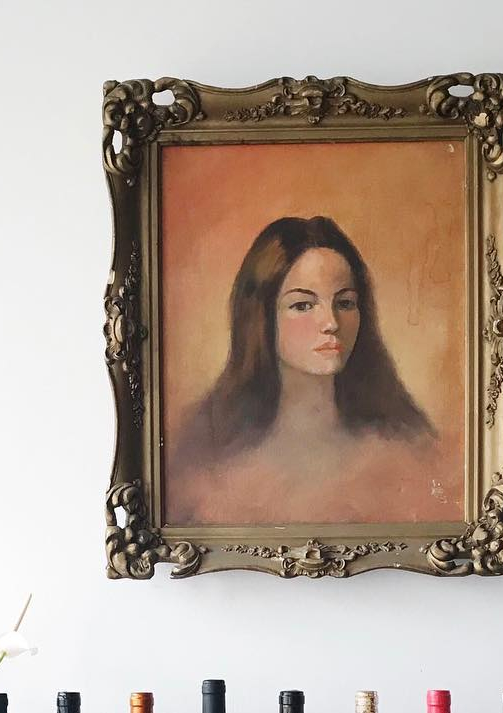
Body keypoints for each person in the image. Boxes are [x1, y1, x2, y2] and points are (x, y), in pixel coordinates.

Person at [168, 216, 447, 526]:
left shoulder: (405, 446)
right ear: (261, 316)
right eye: (303, 305)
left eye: (345, 303)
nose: (331, 323)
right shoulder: (210, 452)